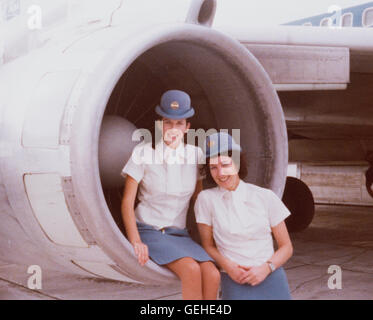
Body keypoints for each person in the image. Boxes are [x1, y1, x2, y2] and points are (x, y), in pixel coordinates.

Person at [120, 90, 220, 300]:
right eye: (168, 122)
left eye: (180, 123)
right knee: (191, 270)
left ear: (188, 127)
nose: (173, 129)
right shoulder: (143, 153)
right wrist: (135, 240)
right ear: (159, 124)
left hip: (179, 234)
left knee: (212, 273)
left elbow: (199, 201)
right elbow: (127, 202)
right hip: (149, 231)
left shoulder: (196, 155)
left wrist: (210, 241)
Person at [194, 132, 293, 300]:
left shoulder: (265, 196)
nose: (220, 173)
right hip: (234, 279)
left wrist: (266, 268)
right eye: (213, 167)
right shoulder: (206, 199)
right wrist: (229, 267)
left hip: (271, 278)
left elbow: (286, 247)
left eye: (225, 164)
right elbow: (208, 246)